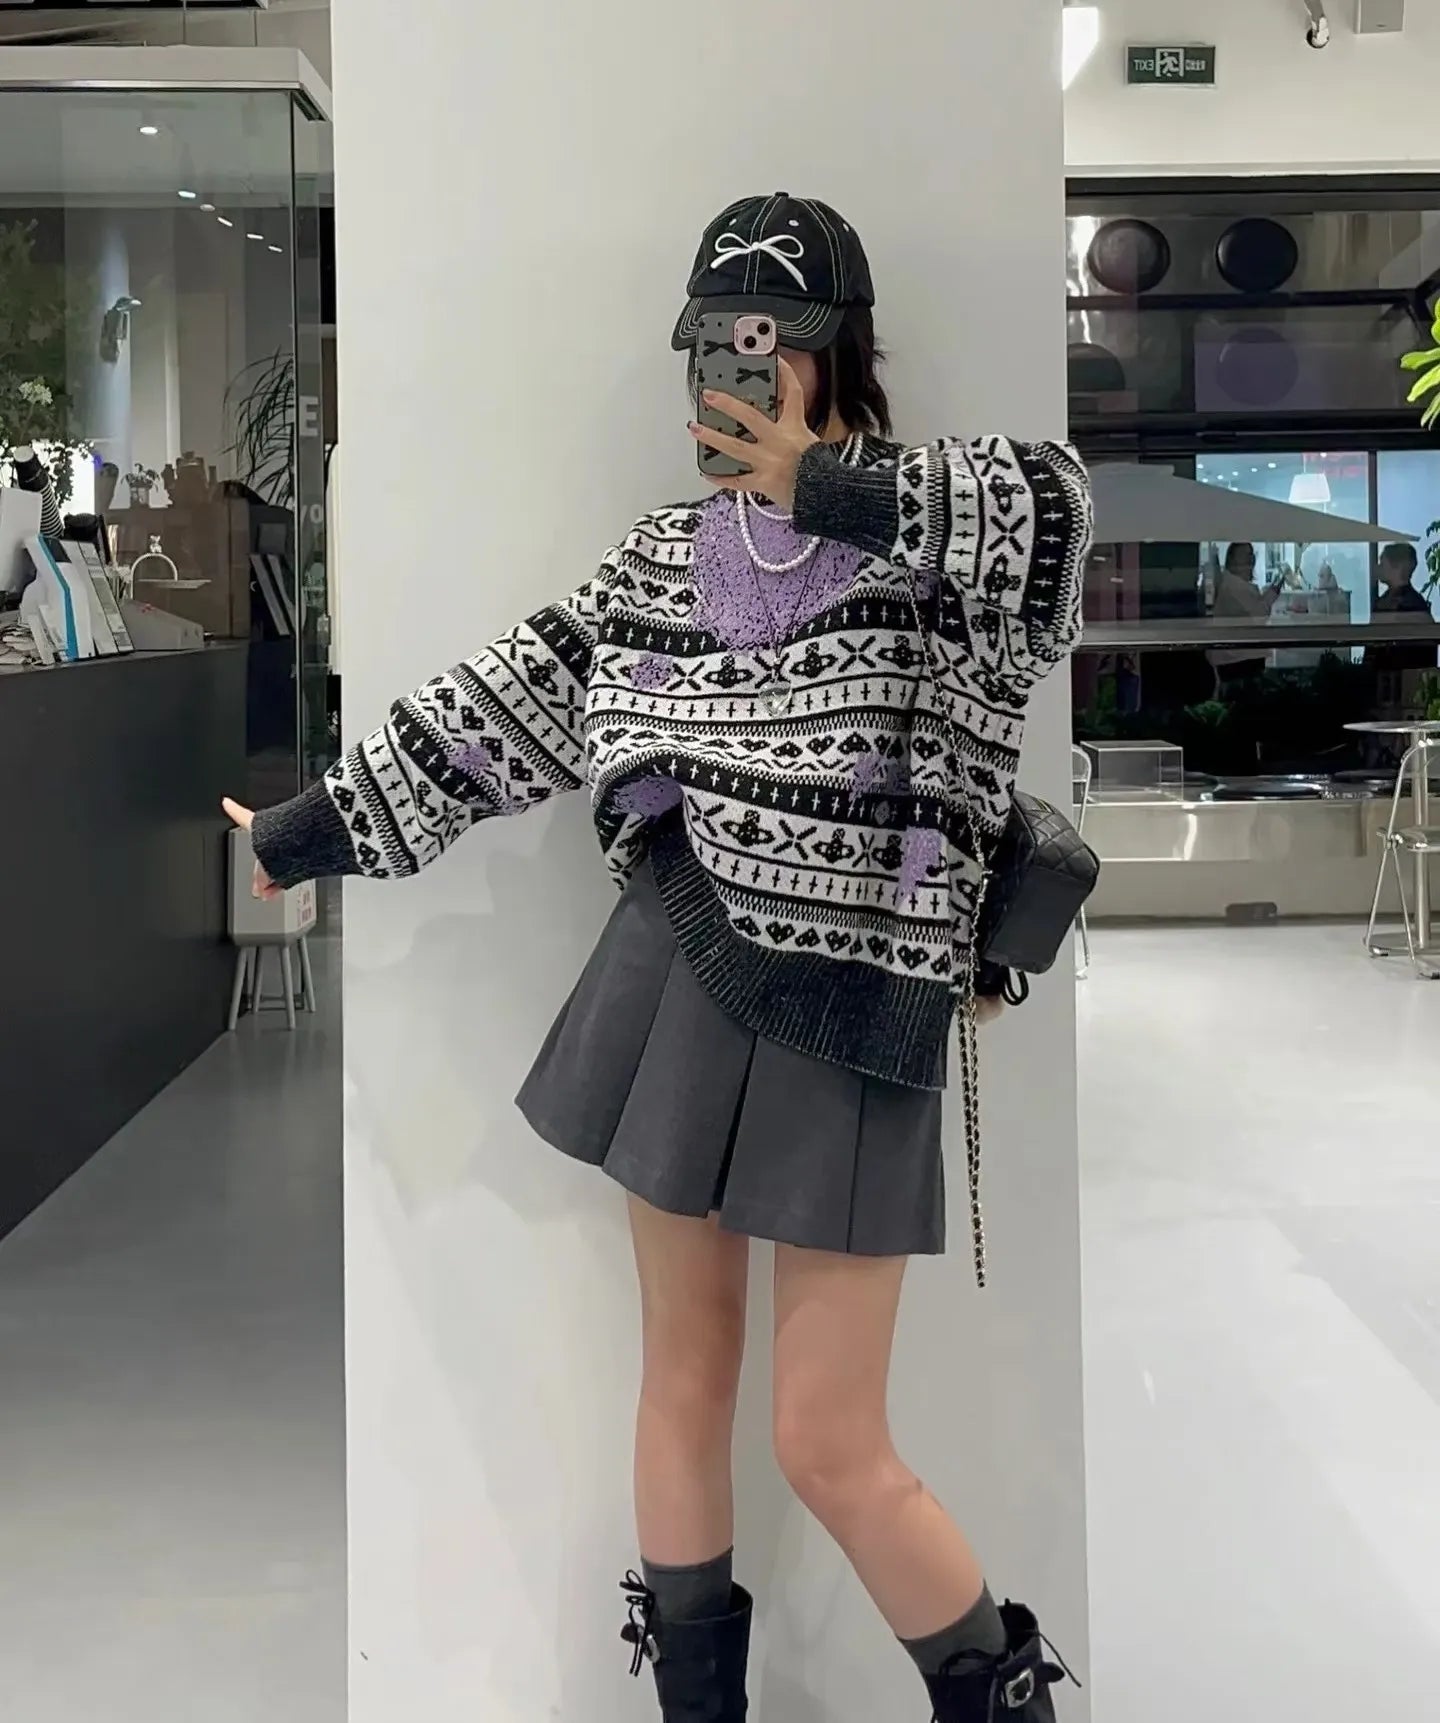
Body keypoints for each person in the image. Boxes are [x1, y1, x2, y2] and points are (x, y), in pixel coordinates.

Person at [224, 193, 1091, 1722]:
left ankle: (997, 1692)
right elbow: (502, 711)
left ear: (839, 351)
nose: (736, 376)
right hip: (677, 973)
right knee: (682, 1380)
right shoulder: (660, 559)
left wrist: (826, 481)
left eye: (772, 344)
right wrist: (309, 827)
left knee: (829, 1439)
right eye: (713, 346)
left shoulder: (946, 544)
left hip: (859, 1004)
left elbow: (1061, 515)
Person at [1209, 539, 1280, 689]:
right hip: (1238, 660)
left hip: (1240, 657)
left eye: (1251, 554)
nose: (1250, 559)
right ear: (1232, 559)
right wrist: (1271, 594)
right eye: (1244, 554)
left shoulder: (1234, 584)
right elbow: (1259, 615)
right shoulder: (1234, 586)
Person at [1367, 542, 1436, 675]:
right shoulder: (1414, 603)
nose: (1377, 568)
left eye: (1382, 563)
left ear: (1397, 567)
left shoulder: (1411, 605)